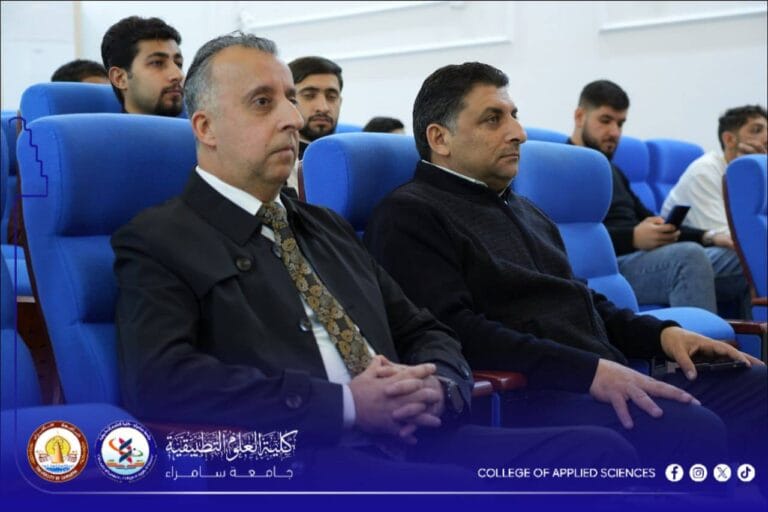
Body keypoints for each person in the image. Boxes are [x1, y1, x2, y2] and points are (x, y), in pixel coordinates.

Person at [111, 34, 635, 491]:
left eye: (290, 99)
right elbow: (161, 380)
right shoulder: (159, 239)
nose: (294, 119)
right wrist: (346, 405)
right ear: (206, 127)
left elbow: (425, 328)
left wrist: (436, 387)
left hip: (414, 439)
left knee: (597, 455)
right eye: (263, 103)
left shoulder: (326, 227)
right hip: (307, 461)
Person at [364, 62, 767, 473]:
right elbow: (456, 332)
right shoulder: (409, 215)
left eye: (514, 115)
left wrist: (664, 335)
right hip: (534, 394)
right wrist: (588, 371)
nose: (518, 133)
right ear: (440, 138)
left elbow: (582, 302)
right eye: (493, 119)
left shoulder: (525, 210)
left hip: (596, 373)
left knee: (757, 386)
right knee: (689, 428)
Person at [569, 80, 748, 315]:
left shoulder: (612, 170)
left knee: (747, 255)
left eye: (620, 123)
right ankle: (700, 340)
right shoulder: (564, 165)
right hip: (605, 268)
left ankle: (755, 337)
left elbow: (654, 220)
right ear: (580, 116)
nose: (615, 132)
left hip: (642, 258)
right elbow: (568, 238)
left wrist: (709, 236)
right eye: (605, 120)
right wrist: (633, 238)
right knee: (688, 257)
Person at [661, 105, 767, 237]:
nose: (766, 138)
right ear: (729, 139)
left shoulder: (753, 175)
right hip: (693, 243)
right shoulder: (704, 172)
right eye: (757, 130)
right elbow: (725, 236)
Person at [100, 16, 184, 116]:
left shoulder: (196, 124)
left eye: (178, 64)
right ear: (120, 78)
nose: (178, 75)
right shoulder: (99, 127)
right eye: (157, 63)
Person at [288, 56, 343, 159]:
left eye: (331, 97)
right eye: (309, 95)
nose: (323, 108)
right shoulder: (271, 161)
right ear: (288, 101)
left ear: (340, 102)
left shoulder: (349, 156)